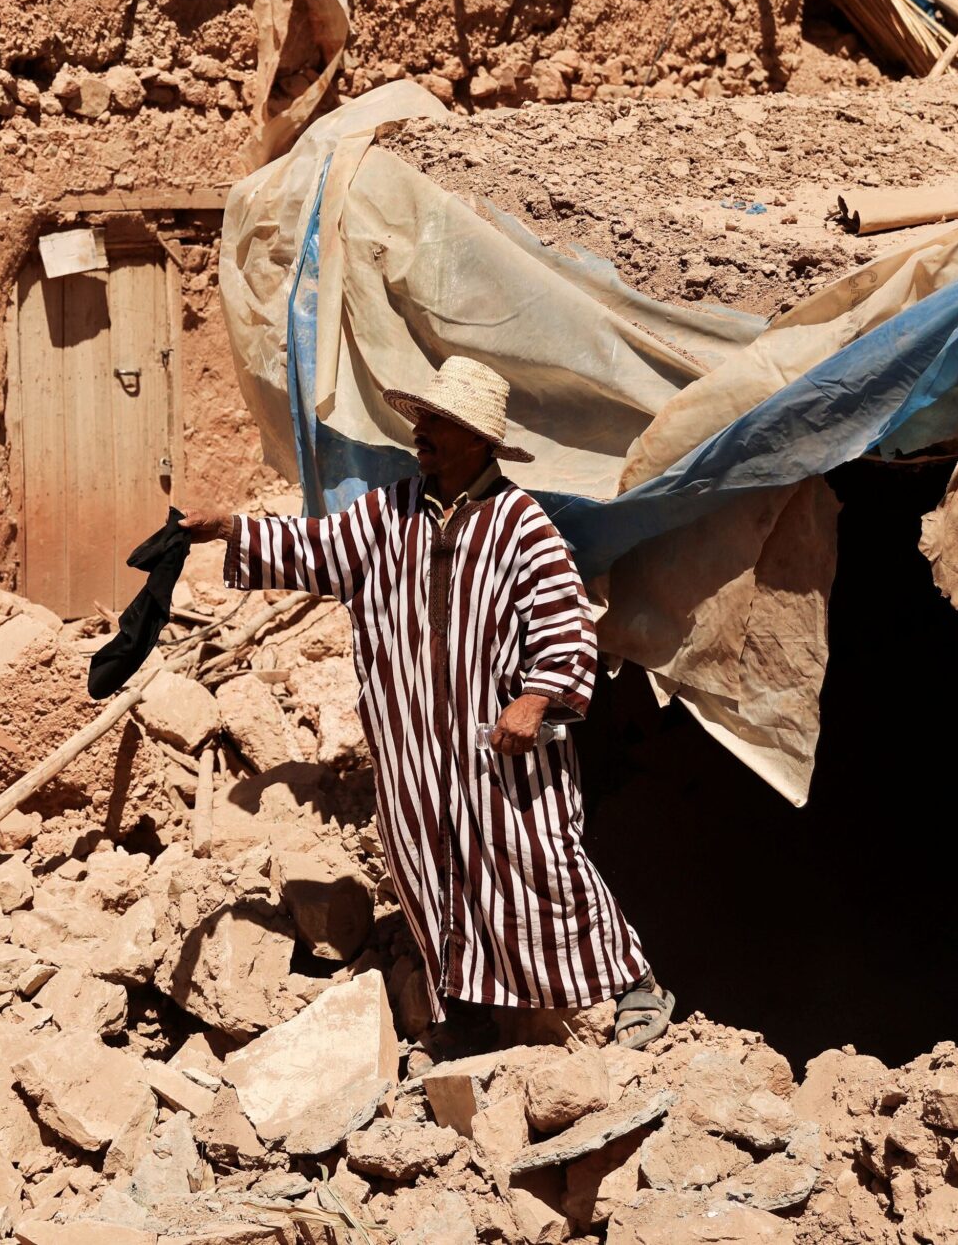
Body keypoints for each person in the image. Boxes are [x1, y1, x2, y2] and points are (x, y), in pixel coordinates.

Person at [180, 356, 673, 1051]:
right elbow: (316, 547)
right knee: (429, 873)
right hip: (411, 748)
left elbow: (565, 621)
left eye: (439, 423)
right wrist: (232, 528)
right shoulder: (389, 511)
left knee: (540, 864)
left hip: (496, 747)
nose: (422, 433)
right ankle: (468, 1010)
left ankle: (632, 984)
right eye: (423, 420)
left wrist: (535, 698)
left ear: (479, 439)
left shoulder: (522, 526)